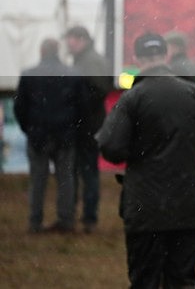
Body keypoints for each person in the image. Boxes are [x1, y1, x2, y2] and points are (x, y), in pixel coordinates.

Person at [96, 32, 195, 288]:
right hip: (189, 205)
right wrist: (194, 146)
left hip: (146, 208)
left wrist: (141, 150)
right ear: (165, 56)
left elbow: (111, 148)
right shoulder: (194, 94)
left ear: (137, 58)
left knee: (145, 280)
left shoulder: (132, 99)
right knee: (183, 279)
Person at [14, 38, 88, 233]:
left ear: (41, 51)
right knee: (66, 179)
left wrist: (29, 129)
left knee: (37, 179)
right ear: (58, 52)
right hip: (65, 134)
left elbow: (20, 107)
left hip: (38, 135)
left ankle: (35, 221)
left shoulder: (29, 75)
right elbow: (82, 107)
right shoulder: (73, 74)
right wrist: (74, 130)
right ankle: (66, 221)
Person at [64, 25, 113, 233]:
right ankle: (82, 217)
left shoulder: (90, 61)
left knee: (86, 172)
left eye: (71, 39)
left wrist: (77, 105)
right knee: (84, 171)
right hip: (88, 125)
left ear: (81, 40)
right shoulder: (88, 59)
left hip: (86, 126)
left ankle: (87, 218)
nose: (69, 44)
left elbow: (99, 90)